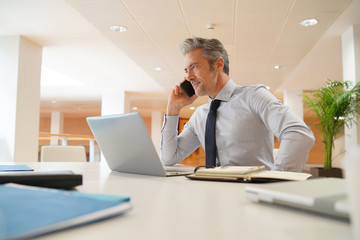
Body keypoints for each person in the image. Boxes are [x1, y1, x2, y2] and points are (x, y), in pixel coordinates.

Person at [160, 37, 315, 172]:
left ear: (218, 64)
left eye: (194, 67)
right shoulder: (200, 116)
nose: (188, 77)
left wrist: (276, 180)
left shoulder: (254, 96)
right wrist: (173, 109)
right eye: (186, 70)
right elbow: (168, 159)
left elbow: (298, 133)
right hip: (212, 195)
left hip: (252, 196)